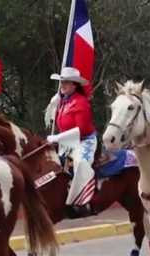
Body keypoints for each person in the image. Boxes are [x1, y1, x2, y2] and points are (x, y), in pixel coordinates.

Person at [47, 67, 97, 218]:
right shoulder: (62, 102)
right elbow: (53, 122)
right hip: (67, 143)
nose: (62, 85)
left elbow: (80, 130)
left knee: (81, 163)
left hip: (84, 141)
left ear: (75, 85)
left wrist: (56, 138)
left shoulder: (81, 102)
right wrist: (53, 106)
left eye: (66, 82)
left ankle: (84, 202)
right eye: (61, 82)